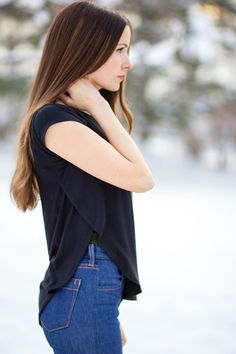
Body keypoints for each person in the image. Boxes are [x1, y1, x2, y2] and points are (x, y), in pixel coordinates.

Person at [10, 1, 155, 353]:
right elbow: (141, 178)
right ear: (86, 47)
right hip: (84, 287)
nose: (128, 62)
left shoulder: (78, 121)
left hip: (90, 291)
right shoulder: (56, 121)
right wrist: (101, 108)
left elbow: (94, 215)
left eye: (128, 49)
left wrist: (107, 311)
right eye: (119, 49)